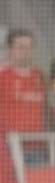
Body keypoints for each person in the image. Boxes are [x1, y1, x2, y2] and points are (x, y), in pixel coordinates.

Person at [0, 29, 48, 163]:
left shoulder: (40, 76)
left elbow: (49, 109)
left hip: (37, 148)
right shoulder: (3, 77)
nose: (26, 51)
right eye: (20, 47)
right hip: (9, 148)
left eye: (29, 47)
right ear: (10, 49)